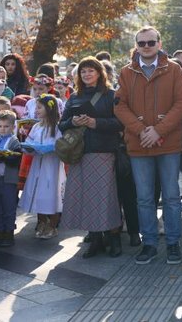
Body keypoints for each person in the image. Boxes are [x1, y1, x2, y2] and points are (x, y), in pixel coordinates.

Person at [114, 26, 182, 265]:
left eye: (150, 42)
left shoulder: (174, 69)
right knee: (144, 198)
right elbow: (120, 106)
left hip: (168, 144)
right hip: (139, 145)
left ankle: (173, 242)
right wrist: (142, 131)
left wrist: (158, 130)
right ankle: (149, 243)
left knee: (171, 196)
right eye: (141, 43)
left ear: (159, 43)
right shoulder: (127, 73)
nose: (146, 47)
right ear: (136, 46)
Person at [59, 57, 124, 258]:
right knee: (87, 197)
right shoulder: (74, 96)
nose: (87, 74)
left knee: (106, 197)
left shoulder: (110, 95)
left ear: (99, 73)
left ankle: (114, 238)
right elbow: (61, 125)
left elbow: (120, 123)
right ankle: (95, 239)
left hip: (103, 151)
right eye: (83, 71)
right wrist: (73, 120)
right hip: (80, 152)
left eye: (91, 71)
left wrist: (96, 123)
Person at [20, 93, 65, 241]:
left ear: (49, 109)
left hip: (51, 167)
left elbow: (61, 146)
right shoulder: (36, 127)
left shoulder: (57, 128)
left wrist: (50, 148)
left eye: (39, 107)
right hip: (37, 165)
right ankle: (41, 222)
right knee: (38, 192)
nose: (36, 110)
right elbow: (29, 142)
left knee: (51, 193)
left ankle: (52, 225)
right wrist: (28, 147)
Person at [0, 109, 21, 247]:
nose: (2, 129)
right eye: (0, 126)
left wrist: (6, 156)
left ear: (13, 127)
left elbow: (16, 159)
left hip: (8, 180)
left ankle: (8, 233)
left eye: (6, 126)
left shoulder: (14, 141)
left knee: (9, 207)